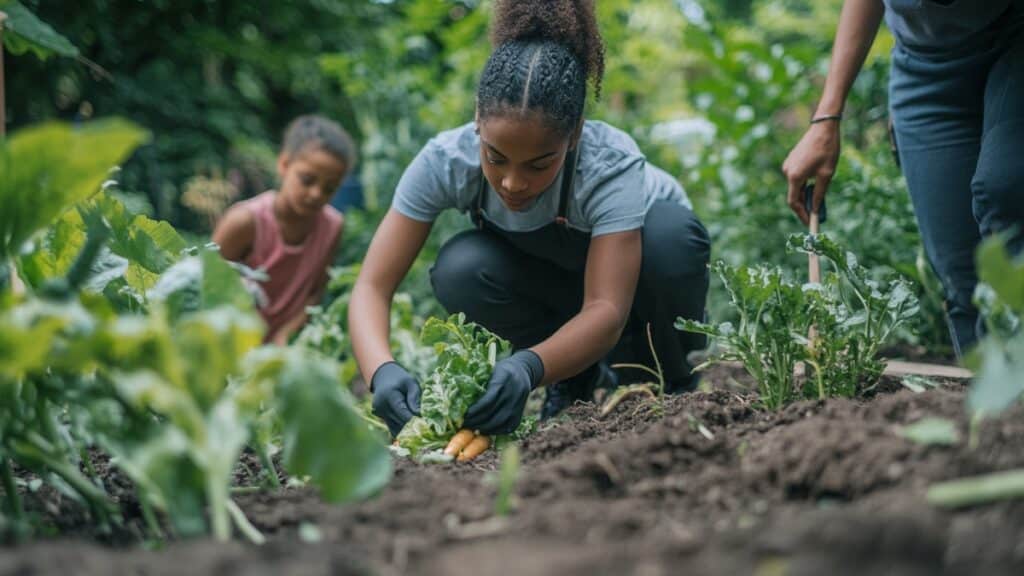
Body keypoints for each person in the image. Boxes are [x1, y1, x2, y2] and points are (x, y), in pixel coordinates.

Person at [349, 0, 711, 441]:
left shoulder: (610, 166)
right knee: (461, 267)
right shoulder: (446, 160)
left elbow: (607, 307)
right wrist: (381, 371)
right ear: (477, 120)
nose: (513, 182)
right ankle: (570, 375)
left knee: (669, 240)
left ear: (574, 133)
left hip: (641, 291)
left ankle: (667, 374)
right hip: (561, 284)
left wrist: (526, 367)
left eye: (540, 164)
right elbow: (372, 286)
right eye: (495, 158)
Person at [783, 0, 1024, 357]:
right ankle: (994, 407)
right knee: (962, 272)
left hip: (1013, 37)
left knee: (1005, 188)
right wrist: (827, 116)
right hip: (926, 71)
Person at [213, 115, 355, 345]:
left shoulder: (332, 227)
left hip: (284, 350)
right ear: (284, 165)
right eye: (307, 180)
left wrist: (286, 335)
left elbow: (314, 293)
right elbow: (207, 287)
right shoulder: (244, 222)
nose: (316, 194)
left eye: (329, 188)